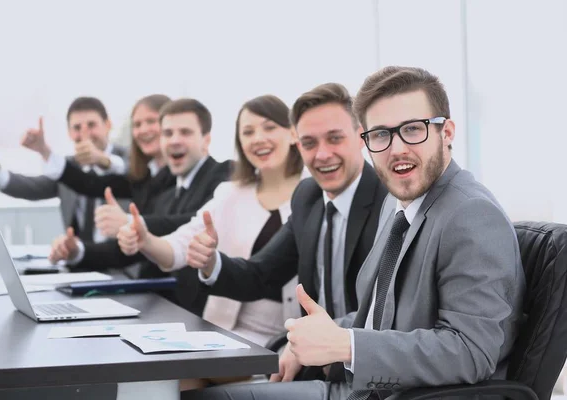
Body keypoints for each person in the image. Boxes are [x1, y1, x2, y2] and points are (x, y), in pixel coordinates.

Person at [182, 66, 526, 400]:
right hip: (364, 387)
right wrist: (313, 337)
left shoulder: (470, 214)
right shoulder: (401, 202)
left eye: (413, 129)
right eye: (381, 134)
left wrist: (345, 345)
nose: (396, 148)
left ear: (446, 132)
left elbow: (472, 352)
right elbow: (378, 311)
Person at [185, 83, 387, 381]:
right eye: (309, 143)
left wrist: (306, 343)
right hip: (310, 357)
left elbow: (385, 312)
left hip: (365, 363)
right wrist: (211, 263)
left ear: (361, 136)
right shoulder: (308, 197)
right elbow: (261, 274)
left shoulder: (388, 201)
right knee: (185, 377)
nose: (322, 154)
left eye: (335, 138)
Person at [117, 95, 305, 348]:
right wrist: (145, 239)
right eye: (247, 132)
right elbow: (179, 248)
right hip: (224, 332)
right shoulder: (230, 193)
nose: (258, 138)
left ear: (293, 133)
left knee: (179, 379)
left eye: (269, 127)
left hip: (289, 340)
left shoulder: (313, 195)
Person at [49, 98, 232, 316]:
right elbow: (136, 249)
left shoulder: (224, 175)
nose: (174, 141)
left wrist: (131, 223)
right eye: (168, 133)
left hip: (193, 313)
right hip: (157, 306)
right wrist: (77, 250)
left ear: (206, 140)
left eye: (185, 132)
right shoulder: (166, 187)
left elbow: (196, 221)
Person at [0, 97, 129, 243]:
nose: (85, 133)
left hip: (123, 266)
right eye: (77, 127)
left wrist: (103, 160)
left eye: (91, 125)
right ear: (69, 132)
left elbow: (131, 174)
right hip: (79, 263)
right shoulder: (67, 168)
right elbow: (32, 187)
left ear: (108, 125)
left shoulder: (132, 160)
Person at [32, 94, 175, 239]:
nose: (143, 130)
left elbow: (180, 224)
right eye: (137, 124)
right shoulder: (147, 175)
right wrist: (45, 152)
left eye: (151, 121)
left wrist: (130, 222)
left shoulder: (173, 175)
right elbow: (88, 184)